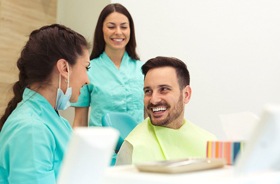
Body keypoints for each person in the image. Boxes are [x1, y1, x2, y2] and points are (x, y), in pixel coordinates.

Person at [0, 24, 90, 183]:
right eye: (86, 68)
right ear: (64, 68)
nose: (87, 80)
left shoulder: (57, 122)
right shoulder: (31, 129)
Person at [116, 56, 217, 165]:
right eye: (148, 91)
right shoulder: (132, 148)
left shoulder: (209, 142)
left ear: (186, 94)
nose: (154, 100)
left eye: (164, 89)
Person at [72, 3, 144, 128]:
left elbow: (149, 117)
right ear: (101, 29)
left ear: (130, 30)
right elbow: (79, 121)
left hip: (136, 145)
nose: (118, 32)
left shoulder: (142, 70)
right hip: (100, 145)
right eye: (111, 27)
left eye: (124, 27)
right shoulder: (88, 70)